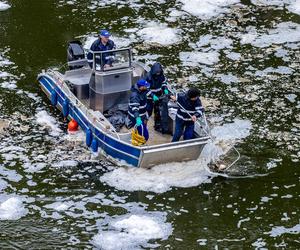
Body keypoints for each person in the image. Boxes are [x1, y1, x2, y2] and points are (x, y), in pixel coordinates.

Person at [145, 62, 170, 133]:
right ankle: (143, 126)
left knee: (158, 112)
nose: (158, 74)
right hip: (149, 98)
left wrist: (165, 89)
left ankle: (157, 126)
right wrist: (152, 95)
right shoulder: (147, 77)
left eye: (159, 72)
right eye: (157, 72)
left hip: (158, 96)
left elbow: (164, 83)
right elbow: (146, 89)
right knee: (148, 112)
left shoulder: (162, 75)